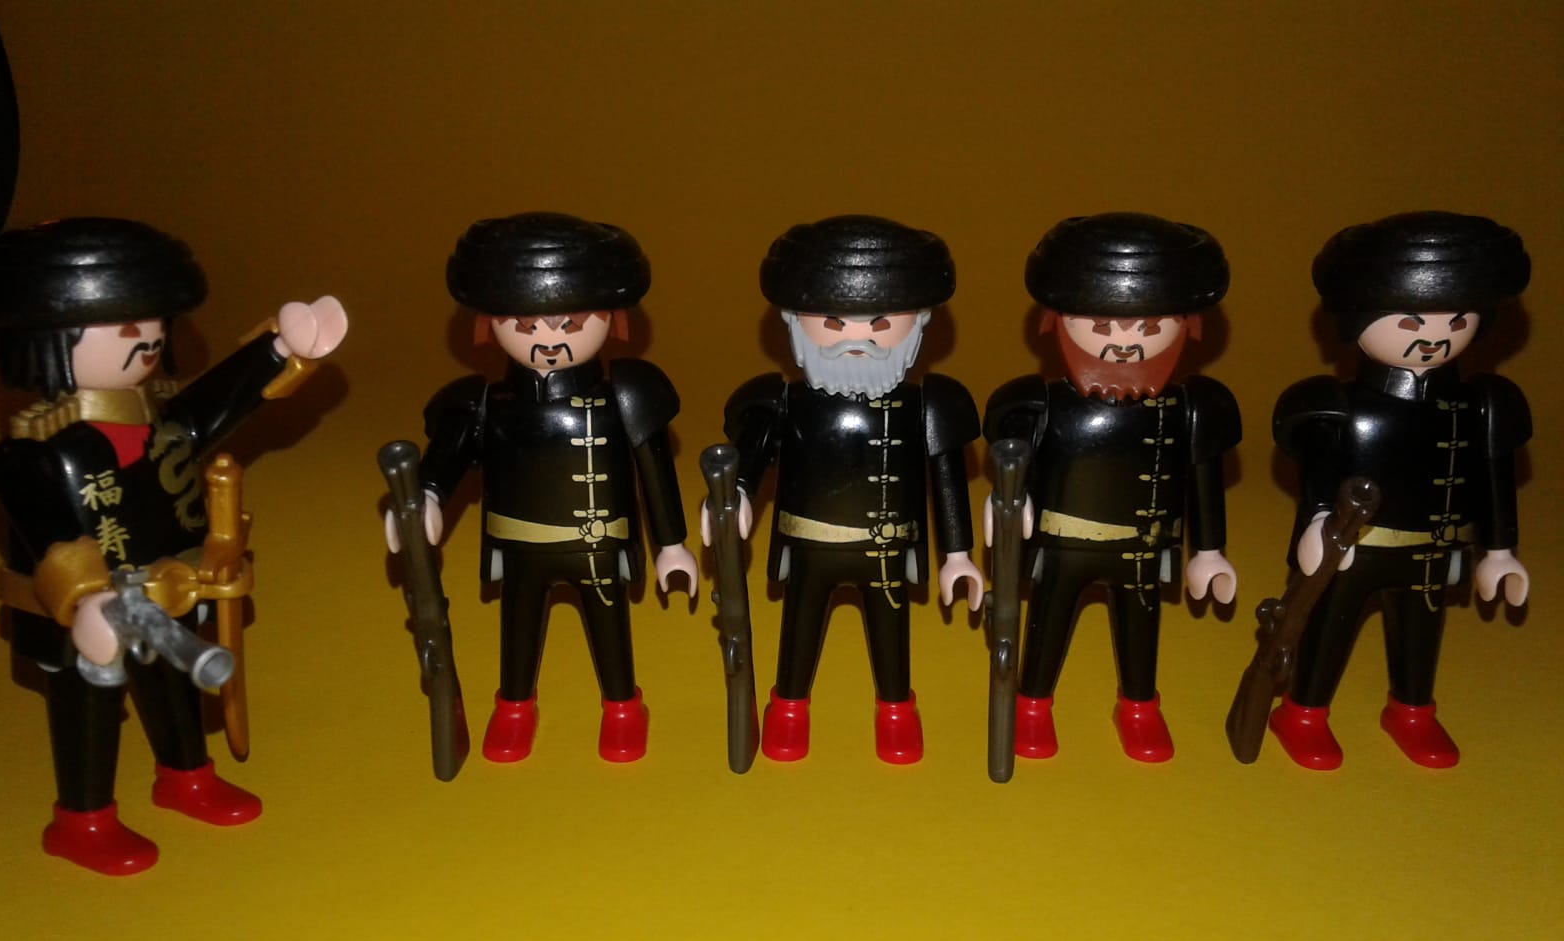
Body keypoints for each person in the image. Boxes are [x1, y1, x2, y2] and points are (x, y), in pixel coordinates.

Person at [0, 216, 347, 873]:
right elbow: (50, 531)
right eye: (122, 329)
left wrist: (281, 351)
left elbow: (218, 404)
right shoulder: (32, 453)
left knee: (173, 686)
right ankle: (82, 818)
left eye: (151, 326)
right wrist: (84, 599)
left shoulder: (159, 423)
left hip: (167, 586)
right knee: (86, 705)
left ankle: (186, 775)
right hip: (80, 611)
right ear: (45, 340)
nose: (144, 341)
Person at [388, 212, 696, 764]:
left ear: (611, 320)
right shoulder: (484, 403)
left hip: (597, 545)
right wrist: (425, 499)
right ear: (489, 325)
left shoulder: (628, 395)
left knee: (610, 630)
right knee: (518, 631)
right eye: (527, 327)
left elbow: (655, 472)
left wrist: (671, 544)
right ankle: (514, 707)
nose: (549, 342)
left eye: (570, 325)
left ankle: (622, 707)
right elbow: (446, 461)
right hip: (520, 548)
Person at [1269, 211, 1531, 769]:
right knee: (1329, 629)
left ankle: (1412, 711)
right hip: (1352, 548)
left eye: (1456, 320)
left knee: (1421, 634)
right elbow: (1318, 475)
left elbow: (1494, 479)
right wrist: (1316, 523)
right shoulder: (1333, 405)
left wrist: (1500, 551)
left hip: (1433, 549)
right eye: (1410, 322)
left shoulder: (1481, 405)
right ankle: (1303, 713)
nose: (1434, 337)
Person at [719, 215, 982, 764]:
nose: (857, 338)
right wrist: (735, 497)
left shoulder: (929, 405)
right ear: (793, 322)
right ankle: (788, 709)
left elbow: (947, 480)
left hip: (887, 552)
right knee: (798, 633)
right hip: (809, 548)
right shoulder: (782, 402)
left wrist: (958, 556)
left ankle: (896, 712)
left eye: (881, 323)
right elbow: (752, 456)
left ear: (919, 324)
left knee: (891, 638)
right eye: (833, 322)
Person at [983, 212, 1240, 762]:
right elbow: (1013, 465)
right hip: (1062, 544)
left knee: (1141, 631)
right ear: (1057, 321)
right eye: (1102, 327)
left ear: (1187, 326)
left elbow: (1204, 479)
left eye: (1148, 328)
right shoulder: (1037, 403)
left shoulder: (1192, 408)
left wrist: (1209, 551)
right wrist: (1008, 503)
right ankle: (1032, 705)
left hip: (1144, 547)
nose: (1125, 345)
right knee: (1046, 625)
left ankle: (1139, 706)